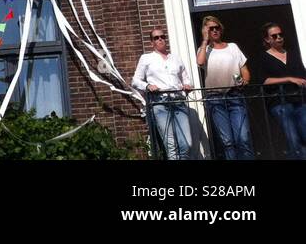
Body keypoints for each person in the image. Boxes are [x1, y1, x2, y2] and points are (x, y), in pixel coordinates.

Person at [194, 15, 253, 160]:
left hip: (235, 95)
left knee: (243, 138)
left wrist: (244, 81)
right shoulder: (205, 49)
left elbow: (245, 70)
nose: (214, 30)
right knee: (227, 142)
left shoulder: (233, 47)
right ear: (206, 31)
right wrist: (205, 40)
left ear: (221, 29)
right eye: (210, 28)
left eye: (217, 27)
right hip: (215, 98)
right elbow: (200, 62)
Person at [131, 27, 193, 160]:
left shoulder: (175, 58)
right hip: (160, 104)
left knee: (186, 144)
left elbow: (186, 78)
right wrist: (147, 86)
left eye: (162, 37)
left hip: (178, 102)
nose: (160, 39)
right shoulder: (146, 58)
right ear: (151, 43)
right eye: (156, 38)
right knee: (171, 146)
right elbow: (135, 81)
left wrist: (187, 86)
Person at [253, 22, 306, 159]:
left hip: (300, 101)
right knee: (293, 140)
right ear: (267, 39)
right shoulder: (264, 57)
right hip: (280, 102)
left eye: (280, 35)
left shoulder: (293, 54)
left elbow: (302, 75)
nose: (279, 38)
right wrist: (288, 79)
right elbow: (263, 80)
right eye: (274, 36)